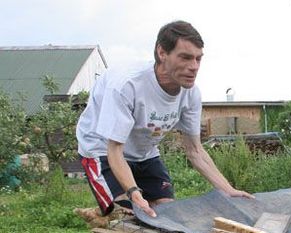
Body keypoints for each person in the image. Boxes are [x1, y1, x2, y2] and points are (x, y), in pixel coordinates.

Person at [77, 20, 253, 219]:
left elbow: (195, 150)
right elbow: (114, 150)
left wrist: (227, 190)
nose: (194, 67)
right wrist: (134, 192)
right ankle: (110, 212)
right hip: (102, 150)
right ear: (162, 53)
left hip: (145, 153)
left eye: (198, 59)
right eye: (185, 58)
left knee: (167, 213)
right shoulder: (126, 85)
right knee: (129, 215)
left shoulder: (191, 94)